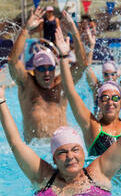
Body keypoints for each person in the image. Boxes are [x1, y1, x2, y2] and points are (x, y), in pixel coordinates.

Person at [0, 82, 121, 196]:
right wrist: (1, 101)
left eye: (75, 150)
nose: (70, 156)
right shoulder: (44, 178)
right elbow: (15, 143)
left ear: (83, 153)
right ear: (54, 159)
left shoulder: (98, 174)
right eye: (62, 152)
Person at [7, 8, 87, 143]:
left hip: (63, 146)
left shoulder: (62, 84)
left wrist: (75, 32)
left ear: (55, 68)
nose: (47, 72)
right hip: (36, 150)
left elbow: (82, 64)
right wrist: (26, 30)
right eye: (42, 69)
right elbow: (12, 62)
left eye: (50, 68)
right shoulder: (27, 84)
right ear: (35, 70)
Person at [54, 27, 121, 157]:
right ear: (98, 101)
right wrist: (64, 57)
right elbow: (71, 91)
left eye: (115, 98)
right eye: (105, 98)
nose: (110, 102)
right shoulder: (94, 127)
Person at [85, 23, 121, 116]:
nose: (110, 77)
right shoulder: (97, 88)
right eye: (106, 74)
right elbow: (87, 68)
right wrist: (91, 45)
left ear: (117, 74)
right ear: (102, 74)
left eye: (112, 74)